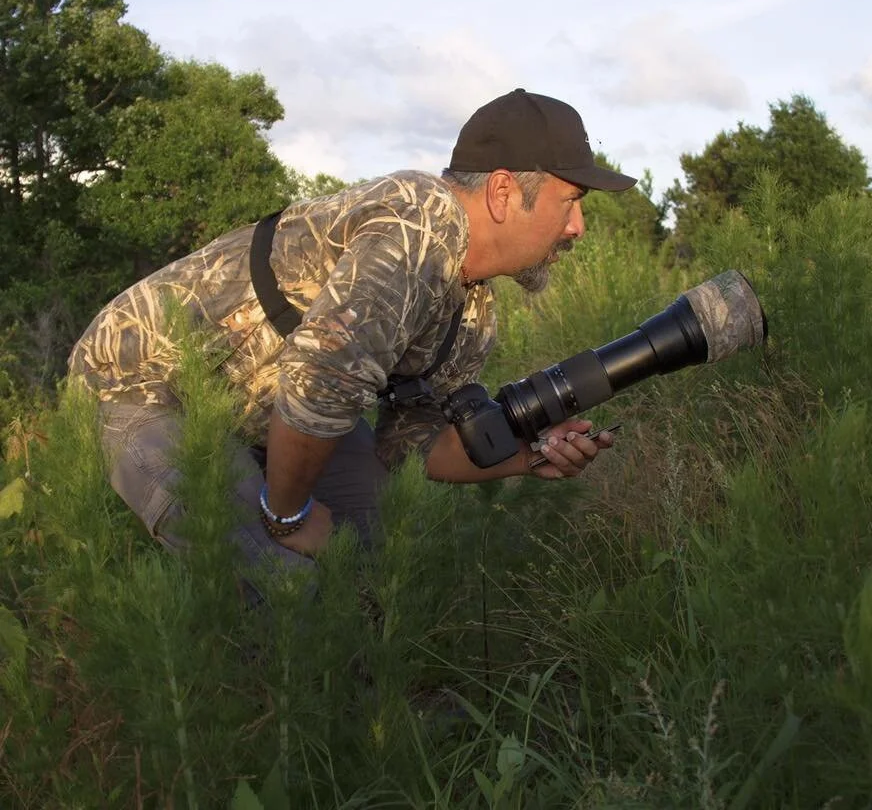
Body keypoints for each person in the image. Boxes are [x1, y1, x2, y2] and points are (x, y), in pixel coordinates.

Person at [67, 88, 637, 582]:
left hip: (269, 407)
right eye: (571, 202)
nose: (577, 227)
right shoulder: (418, 226)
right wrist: (286, 515)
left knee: (376, 556)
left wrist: (527, 456)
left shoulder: (472, 311)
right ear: (504, 192)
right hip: (151, 384)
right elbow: (322, 380)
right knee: (284, 581)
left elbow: (410, 443)